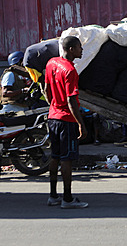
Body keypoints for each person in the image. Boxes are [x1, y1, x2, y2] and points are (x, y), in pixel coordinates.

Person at [44, 36, 88, 209]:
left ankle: (53, 195)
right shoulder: (70, 71)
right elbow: (71, 101)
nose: (81, 50)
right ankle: (67, 199)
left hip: (53, 117)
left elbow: (47, 89)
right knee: (66, 159)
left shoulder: (51, 63)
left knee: (55, 156)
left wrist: (54, 105)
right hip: (66, 120)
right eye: (79, 47)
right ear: (70, 49)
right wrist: (81, 124)